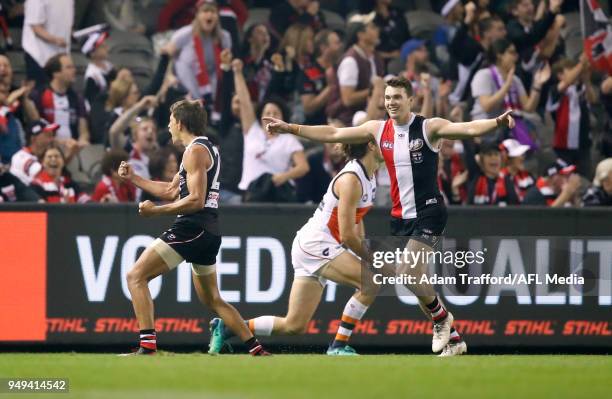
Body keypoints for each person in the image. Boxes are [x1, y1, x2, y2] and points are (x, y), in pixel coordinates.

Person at [264, 76, 515, 356]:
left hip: (429, 211)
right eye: (387, 98)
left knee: (408, 272)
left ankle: (443, 320)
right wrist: (290, 128)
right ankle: (454, 339)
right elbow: (333, 134)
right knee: (415, 280)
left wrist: (496, 122)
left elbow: (466, 128)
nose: (391, 103)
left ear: (411, 100)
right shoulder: (376, 129)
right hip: (401, 217)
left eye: (397, 97)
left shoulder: (428, 127)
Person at [117, 99, 270, 356]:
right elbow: (171, 190)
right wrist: (134, 178)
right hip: (207, 232)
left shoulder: (194, 152)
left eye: (169, 121)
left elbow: (196, 199)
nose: (167, 126)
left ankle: (147, 345)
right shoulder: (202, 149)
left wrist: (156, 212)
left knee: (136, 276)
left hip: (193, 228)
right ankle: (256, 349)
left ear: (179, 122)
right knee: (213, 300)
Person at [208, 139, 382, 356]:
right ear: (372, 147)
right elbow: (347, 234)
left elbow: (356, 220)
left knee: (294, 325)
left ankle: (228, 326)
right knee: (370, 283)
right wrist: (371, 258)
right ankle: (338, 346)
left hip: (314, 245)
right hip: (317, 243)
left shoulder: (370, 176)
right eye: (387, 141)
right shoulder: (351, 179)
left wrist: (365, 253)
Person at [232, 58, 309, 202]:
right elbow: (244, 101)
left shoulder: (289, 140)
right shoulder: (252, 131)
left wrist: (284, 176)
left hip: (278, 193)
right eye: (267, 113)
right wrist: (237, 73)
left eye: (276, 113)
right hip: (251, 192)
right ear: (260, 116)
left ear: (282, 117)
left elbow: (303, 167)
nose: (271, 116)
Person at [470, 38, 550, 146]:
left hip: (505, 131)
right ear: (499, 55)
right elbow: (487, 106)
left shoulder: (515, 79)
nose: (516, 57)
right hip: (485, 133)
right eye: (511, 52)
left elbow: (529, 107)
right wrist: (506, 85)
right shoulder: (484, 75)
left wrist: (537, 84)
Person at [165, 0, 232, 106]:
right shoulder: (184, 34)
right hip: (182, 92)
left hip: (211, 95)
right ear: (197, 15)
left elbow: (226, 67)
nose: (209, 14)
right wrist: (169, 76)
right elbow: (166, 55)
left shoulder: (224, 38)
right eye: (205, 11)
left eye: (213, 12)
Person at [31, 54, 90, 149]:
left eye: (73, 67)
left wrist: (82, 141)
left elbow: (84, 130)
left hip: (73, 148)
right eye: (69, 67)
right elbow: (36, 128)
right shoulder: (39, 95)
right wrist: (60, 142)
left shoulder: (77, 98)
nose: (74, 71)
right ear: (56, 73)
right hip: (48, 148)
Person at [21, 0, 74, 86]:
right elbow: (35, 27)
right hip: (39, 56)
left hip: (60, 56)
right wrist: (55, 40)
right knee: (40, 93)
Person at [10, 119, 58, 185]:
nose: (52, 139)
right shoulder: (20, 157)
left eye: (52, 135)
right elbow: (47, 180)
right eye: (48, 135)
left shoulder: (44, 156)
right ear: (33, 138)